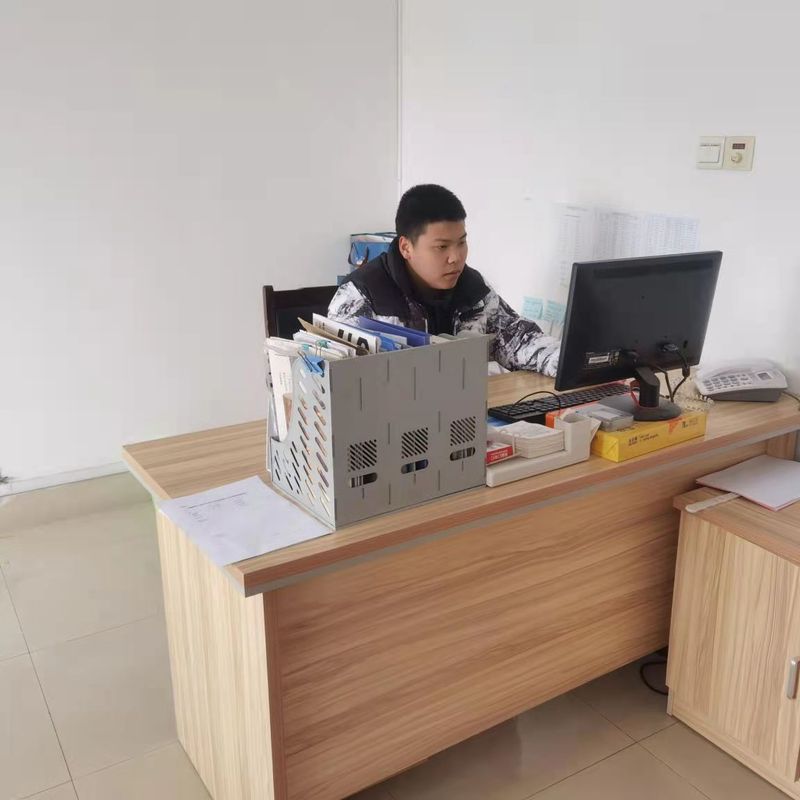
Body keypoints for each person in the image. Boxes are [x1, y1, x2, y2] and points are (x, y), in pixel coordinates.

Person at [328, 184, 560, 376]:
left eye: (461, 242)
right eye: (442, 247)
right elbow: (340, 381)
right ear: (406, 247)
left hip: (464, 409)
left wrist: (567, 362)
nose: (456, 257)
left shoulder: (473, 288)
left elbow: (518, 339)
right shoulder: (362, 296)